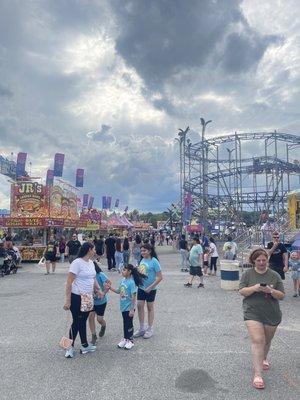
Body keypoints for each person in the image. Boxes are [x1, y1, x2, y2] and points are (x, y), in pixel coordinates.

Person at [239, 248, 285, 390]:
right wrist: (254, 288)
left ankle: (264, 358)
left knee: (267, 341)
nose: (261, 263)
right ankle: (258, 374)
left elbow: (282, 295)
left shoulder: (274, 275)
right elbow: (242, 291)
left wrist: (270, 291)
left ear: (267, 260)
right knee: (258, 340)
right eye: (258, 260)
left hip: (271, 313)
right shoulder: (248, 274)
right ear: (253, 261)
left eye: (263, 260)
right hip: (252, 312)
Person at [63, 242, 104, 358]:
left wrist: (98, 290)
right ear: (89, 250)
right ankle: (69, 347)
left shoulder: (91, 263)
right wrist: (68, 300)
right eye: (94, 249)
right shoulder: (77, 263)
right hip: (77, 296)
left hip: (88, 297)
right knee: (76, 322)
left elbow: (93, 278)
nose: (95, 251)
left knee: (83, 321)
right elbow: (69, 282)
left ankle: (85, 345)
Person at [109, 264, 147, 350]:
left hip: (129, 307)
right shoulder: (123, 280)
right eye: (122, 270)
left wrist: (132, 309)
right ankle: (125, 338)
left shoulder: (132, 283)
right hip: (123, 306)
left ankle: (130, 340)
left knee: (129, 323)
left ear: (129, 272)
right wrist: (110, 288)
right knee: (125, 323)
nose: (122, 271)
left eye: (124, 270)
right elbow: (119, 291)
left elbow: (134, 297)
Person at [134, 243, 163, 339]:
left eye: (144, 251)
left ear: (149, 251)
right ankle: (142, 327)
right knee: (139, 306)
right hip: (141, 288)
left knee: (150, 308)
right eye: (141, 251)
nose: (142, 252)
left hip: (151, 289)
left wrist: (150, 287)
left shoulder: (154, 261)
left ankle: (150, 328)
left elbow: (160, 277)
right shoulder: (142, 259)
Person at [89, 261, 110, 344]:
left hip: (101, 301)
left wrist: (104, 293)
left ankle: (103, 325)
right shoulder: (87, 276)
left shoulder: (100, 275)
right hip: (91, 300)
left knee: (99, 319)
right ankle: (93, 335)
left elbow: (109, 283)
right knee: (91, 316)